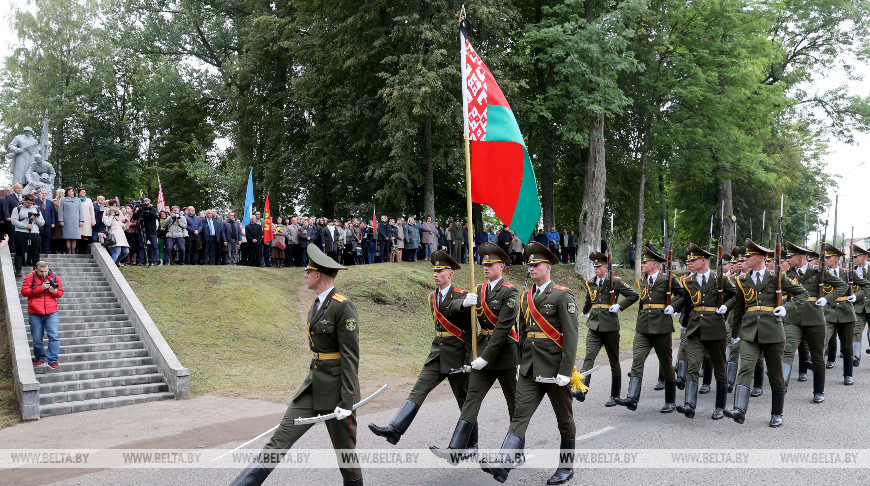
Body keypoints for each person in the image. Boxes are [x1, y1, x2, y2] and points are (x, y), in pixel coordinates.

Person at [230, 245, 362, 486]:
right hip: (313, 387)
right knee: (280, 439)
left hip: (338, 391)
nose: (305, 275)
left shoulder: (343, 306)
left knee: (346, 456)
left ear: (318, 275)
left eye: (307, 271)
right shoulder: (316, 305)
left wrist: (349, 400)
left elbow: (351, 356)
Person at [480, 242, 579, 485]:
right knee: (519, 416)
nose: (531, 268)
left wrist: (566, 370)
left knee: (564, 421)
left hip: (555, 370)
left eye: (536, 264)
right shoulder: (525, 297)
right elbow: (523, 333)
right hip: (529, 369)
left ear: (548, 266)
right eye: (529, 265)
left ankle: (566, 468)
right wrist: (521, 362)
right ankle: (503, 465)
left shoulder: (562, 294)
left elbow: (571, 334)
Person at [369, 250, 471, 446]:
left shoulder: (462, 296)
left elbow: (469, 331)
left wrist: (468, 361)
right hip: (437, 354)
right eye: (434, 270)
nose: (435, 274)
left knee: (464, 402)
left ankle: (471, 444)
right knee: (418, 390)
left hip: (458, 357)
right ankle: (395, 429)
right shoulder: (431, 297)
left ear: (450, 274)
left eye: (440, 270)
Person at [430, 243, 519, 463]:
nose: (485, 267)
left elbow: (502, 329)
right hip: (482, 354)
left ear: (502, 266)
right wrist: (462, 302)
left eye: (491, 264)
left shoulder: (511, 291)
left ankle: (516, 452)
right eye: (484, 264)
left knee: (513, 405)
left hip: (505, 354)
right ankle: (456, 448)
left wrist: (484, 358)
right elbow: (449, 308)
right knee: (471, 400)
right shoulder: (477, 289)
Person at [725, 239, 808, 428]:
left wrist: (787, 308)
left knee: (775, 373)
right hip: (749, 331)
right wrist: (735, 332)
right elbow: (738, 308)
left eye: (749, 256)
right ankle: (739, 409)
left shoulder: (776, 277)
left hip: (773, 330)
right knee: (746, 366)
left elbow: (802, 294)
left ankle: (777, 413)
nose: (745, 259)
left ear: (761, 258)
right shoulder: (741, 279)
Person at [614, 247, 686, 414]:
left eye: (645, 262)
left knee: (666, 364)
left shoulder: (668, 279)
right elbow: (642, 303)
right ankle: (632, 398)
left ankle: (670, 401)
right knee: (637, 360)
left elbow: (682, 295)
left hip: (661, 326)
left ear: (654, 264)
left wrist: (673, 307)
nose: (642, 264)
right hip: (643, 327)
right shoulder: (641, 281)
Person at [675, 243, 736, 420]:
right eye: (688, 260)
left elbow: (735, 295)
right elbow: (687, 304)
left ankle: (720, 406)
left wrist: (725, 306)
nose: (689, 262)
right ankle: (689, 405)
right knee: (693, 366)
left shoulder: (720, 279)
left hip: (715, 328)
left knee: (719, 367)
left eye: (693, 259)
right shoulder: (687, 282)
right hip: (695, 329)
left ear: (704, 260)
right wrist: (683, 323)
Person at [781, 241, 846, 403]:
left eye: (791, 256)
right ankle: (781, 385)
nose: (788, 259)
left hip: (815, 318)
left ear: (802, 257)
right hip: (793, 318)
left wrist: (826, 299)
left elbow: (842, 286)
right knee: (787, 350)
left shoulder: (819, 272)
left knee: (817, 355)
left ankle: (818, 391)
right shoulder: (786, 274)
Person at [576, 251, 639, 405]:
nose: (595, 268)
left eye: (599, 266)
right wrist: (584, 312)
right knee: (589, 357)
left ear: (606, 267)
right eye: (594, 266)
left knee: (614, 361)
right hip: (594, 326)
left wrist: (619, 305)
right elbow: (589, 299)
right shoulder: (590, 282)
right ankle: (582, 390)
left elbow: (634, 295)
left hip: (610, 326)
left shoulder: (615, 282)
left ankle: (614, 395)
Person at [821, 244, 864, 385]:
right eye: (824, 257)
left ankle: (848, 375)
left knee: (847, 347)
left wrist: (857, 296)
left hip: (846, 312)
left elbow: (867, 285)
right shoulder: (820, 273)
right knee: (822, 343)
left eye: (828, 257)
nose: (825, 260)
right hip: (827, 312)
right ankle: (819, 378)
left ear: (837, 259)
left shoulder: (847, 273)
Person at [21, 261, 63, 370]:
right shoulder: (30, 277)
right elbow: (24, 292)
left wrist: (54, 291)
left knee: (54, 336)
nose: (44, 273)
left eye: (45, 271)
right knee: (37, 338)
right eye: (41, 271)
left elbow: (60, 293)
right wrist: (41, 288)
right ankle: (40, 358)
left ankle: (53, 360)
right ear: (36, 269)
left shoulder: (54, 277)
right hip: (35, 312)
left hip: (51, 311)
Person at [11, 194, 44, 277]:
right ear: (24, 201)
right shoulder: (17, 209)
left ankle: (37, 271)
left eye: (31, 203)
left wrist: (36, 219)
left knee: (35, 252)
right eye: (28, 202)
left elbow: (42, 222)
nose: (29, 204)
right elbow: (14, 221)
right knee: (19, 251)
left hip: (34, 232)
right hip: (21, 232)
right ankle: (18, 270)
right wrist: (25, 226)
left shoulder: (36, 209)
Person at [851, 244, 870, 366]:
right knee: (856, 330)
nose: (854, 259)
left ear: (864, 256)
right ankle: (856, 356)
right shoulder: (852, 271)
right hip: (858, 306)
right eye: (852, 257)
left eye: (856, 256)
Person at [134, 198, 159, 266]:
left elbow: (156, 216)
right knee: (141, 246)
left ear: (149, 202)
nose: (145, 202)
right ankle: (141, 261)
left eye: (147, 201)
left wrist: (149, 211)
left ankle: (156, 261)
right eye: (144, 201)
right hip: (143, 230)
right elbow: (135, 218)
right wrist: (136, 211)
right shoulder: (141, 209)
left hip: (152, 231)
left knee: (155, 246)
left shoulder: (153, 209)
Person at [2, 184, 24, 250]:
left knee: (22, 235)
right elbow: (5, 208)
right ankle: (13, 250)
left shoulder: (25, 197)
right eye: (18, 188)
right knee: (13, 235)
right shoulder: (9, 196)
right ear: (14, 189)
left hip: (23, 220)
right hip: (12, 219)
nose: (20, 189)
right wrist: (7, 217)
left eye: (21, 188)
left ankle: (21, 249)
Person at [36, 188, 56, 254]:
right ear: (39, 194)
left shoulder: (50, 202)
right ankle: (39, 250)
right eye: (42, 193)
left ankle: (46, 250)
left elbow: (53, 213)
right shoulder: (35, 201)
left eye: (45, 193)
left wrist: (53, 222)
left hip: (48, 222)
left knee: (47, 237)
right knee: (38, 237)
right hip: (38, 222)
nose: (43, 195)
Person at [77, 188, 96, 254]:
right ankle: (79, 250)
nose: (83, 193)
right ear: (79, 193)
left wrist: (93, 221)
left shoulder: (88, 200)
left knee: (85, 235)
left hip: (87, 220)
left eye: (84, 192)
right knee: (78, 236)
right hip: (77, 220)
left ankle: (84, 251)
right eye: (82, 192)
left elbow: (92, 211)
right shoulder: (76, 200)